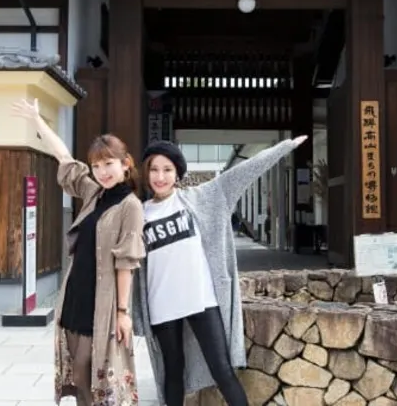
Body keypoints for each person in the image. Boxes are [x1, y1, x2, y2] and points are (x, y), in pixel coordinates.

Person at [131, 136, 308, 406]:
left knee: (222, 369)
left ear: (177, 172)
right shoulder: (139, 214)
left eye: (167, 169)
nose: (160, 176)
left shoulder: (203, 198)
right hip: (162, 304)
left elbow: (244, 172)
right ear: (146, 173)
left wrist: (285, 147)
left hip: (201, 300)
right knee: (172, 372)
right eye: (154, 169)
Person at [11, 97, 145, 406]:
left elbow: (126, 263)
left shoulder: (131, 207)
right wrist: (36, 120)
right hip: (74, 295)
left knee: (93, 369)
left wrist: (122, 313)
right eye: (97, 166)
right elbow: (64, 157)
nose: (102, 171)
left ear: (126, 164)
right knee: (79, 372)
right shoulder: (93, 194)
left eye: (108, 164)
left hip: (102, 301)